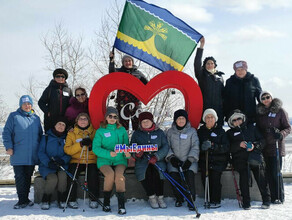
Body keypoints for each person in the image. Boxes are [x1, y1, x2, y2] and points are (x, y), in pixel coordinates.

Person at [2, 95, 43, 209]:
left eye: (29, 103)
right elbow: (6, 133)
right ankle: (21, 200)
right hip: (18, 153)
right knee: (20, 177)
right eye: (24, 104)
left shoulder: (36, 118)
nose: (27, 105)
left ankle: (26, 198)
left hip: (31, 154)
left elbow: (40, 135)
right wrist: (9, 147)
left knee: (28, 176)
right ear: (21, 105)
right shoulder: (14, 116)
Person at [226, 109, 271, 210]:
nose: (237, 121)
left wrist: (254, 146)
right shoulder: (229, 133)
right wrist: (239, 145)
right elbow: (228, 147)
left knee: (260, 176)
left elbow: (263, 141)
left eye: (239, 118)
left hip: (254, 156)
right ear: (231, 122)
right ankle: (246, 202)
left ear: (243, 118)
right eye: (234, 120)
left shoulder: (252, 128)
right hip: (240, 159)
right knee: (244, 177)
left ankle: (266, 199)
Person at [92, 107, 130, 215]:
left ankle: (121, 204)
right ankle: (106, 202)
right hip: (104, 160)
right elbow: (96, 148)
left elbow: (126, 146)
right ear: (106, 117)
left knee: (119, 176)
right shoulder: (100, 131)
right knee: (109, 175)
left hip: (119, 160)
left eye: (115, 116)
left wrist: (127, 154)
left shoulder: (121, 130)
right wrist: (108, 154)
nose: (112, 118)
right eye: (110, 116)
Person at [256, 91, 291, 204]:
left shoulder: (280, 111)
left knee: (276, 172)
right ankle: (271, 196)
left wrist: (281, 134)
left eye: (268, 97)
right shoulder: (260, 113)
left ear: (271, 97)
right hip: (265, 147)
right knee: (268, 173)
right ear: (261, 100)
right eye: (263, 98)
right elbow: (258, 129)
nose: (266, 99)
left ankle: (279, 196)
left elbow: (288, 128)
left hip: (277, 146)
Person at [130, 112, 169, 209]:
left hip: (157, 160)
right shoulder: (137, 134)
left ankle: (160, 196)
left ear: (152, 121)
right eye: (143, 122)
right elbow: (132, 147)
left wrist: (156, 156)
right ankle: (151, 196)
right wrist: (136, 153)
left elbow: (165, 146)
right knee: (146, 173)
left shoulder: (159, 133)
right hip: (143, 161)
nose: (146, 123)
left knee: (157, 173)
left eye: (148, 121)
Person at [165, 109, 199, 210]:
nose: (181, 120)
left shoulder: (192, 131)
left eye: (182, 118)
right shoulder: (170, 132)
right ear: (175, 120)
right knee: (174, 178)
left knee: (189, 177)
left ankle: (191, 200)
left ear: (186, 120)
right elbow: (167, 146)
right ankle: (179, 198)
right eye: (178, 119)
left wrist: (190, 160)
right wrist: (172, 158)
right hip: (174, 161)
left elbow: (195, 146)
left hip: (189, 161)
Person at [63, 113, 99, 209]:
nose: (83, 121)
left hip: (90, 160)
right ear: (77, 121)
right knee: (72, 175)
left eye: (85, 119)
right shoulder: (71, 133)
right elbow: (67, 150)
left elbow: (98, 147)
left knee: (93, 175)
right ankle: (72, 198)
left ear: (89, 121)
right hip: (76, 160)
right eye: (80, 119)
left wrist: (91, 146)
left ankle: (93, 198)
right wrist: (80, 145)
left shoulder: (94, 132)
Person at [197, 109, 229, 208]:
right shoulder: (200, 132)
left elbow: (226, 147)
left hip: (218, 161)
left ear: (215, 119)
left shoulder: (221, 131)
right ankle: (208, 198)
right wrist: (202, 148)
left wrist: (213, 146)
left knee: (215, 179)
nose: (210, 119)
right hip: (205, 160)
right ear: (204, 119)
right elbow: (196, 146)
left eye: (212, 117)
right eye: (207, 117)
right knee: (205, 178)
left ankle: (216, 200)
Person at [38, 117, 71, 210]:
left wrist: (63, 160)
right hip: (47, 165)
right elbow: (41, 152)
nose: (61, 126)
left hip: (61, 165)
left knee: (63, 177)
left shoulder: (67, 137)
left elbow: (69, 153)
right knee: (52, 179)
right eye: (59, 124)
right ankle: (46, 198)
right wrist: (48, 162)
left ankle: (62, 198)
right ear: (55, 125)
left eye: (63, 125)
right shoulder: (46, 137)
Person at [109, 51, 148, 130]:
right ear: (123, 63)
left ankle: (137, 141)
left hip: (135, 103)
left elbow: (147, 84)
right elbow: (111, 72)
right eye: (125, 61)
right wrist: (111, 60)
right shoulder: (119, 72)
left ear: (132, 62)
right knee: (122, 126)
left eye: (129, 61)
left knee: (138, 126)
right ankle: (124, 141)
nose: (127, 62)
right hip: (122, 104)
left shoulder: (138, 73)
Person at [194, 37, 225, 126]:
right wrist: (201, 47)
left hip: (218, 110)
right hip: (205, 108)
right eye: (208, 63)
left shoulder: (220, 77)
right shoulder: (202, 75)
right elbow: (197, 64)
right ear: (205, 65)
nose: (210, 65)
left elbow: (223, 94)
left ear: (215, 65)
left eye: (212, 63)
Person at [38, 68, 72, 132]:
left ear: (65, 78)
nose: (60, 78)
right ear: (54, 78)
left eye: (62, 76)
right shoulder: (49, 89)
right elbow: (41, 102)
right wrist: (47, 112)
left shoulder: (68, 90)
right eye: (58, 76)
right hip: (51, 120)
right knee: (50, 138)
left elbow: (71, 104)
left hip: (64, 121)